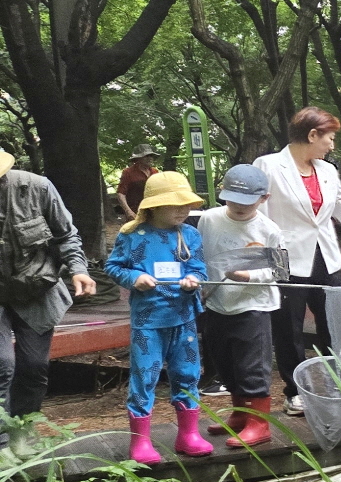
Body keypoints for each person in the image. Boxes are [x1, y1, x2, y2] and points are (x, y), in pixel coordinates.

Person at [255, 108, 341, 416]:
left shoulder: (328, 170)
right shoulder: (268, 165)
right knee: (287, 326)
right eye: (329, 138)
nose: (332, 145)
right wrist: (268, 261)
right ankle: (295, 391)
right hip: (284, 258)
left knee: (334, 321)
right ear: (312, 135)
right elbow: (260, 216)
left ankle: (338, 384)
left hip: (326, 257)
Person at [105, 172, 209, 464]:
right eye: (174, 204)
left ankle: (188, 434)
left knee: (188, 374)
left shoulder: (190, 234)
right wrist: (135, 277)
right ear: (153, 205)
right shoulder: (131, 234)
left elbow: (200, 269)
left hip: (183, 317)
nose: (182, 210)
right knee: (145, 376)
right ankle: (140, 442)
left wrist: (193, 278)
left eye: (186, 204)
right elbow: (113, 267)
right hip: (148, 322)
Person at [0, 149, 94, 417]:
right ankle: (1, 443)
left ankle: (23, 429)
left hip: (36, 289)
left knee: (34, 366)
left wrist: (78, 270)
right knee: (2, 364)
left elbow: (66, 236)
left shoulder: (37, 188)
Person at [196, 164, 282, 447]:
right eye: (232, 199)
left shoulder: (269, 230)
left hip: (253, 306)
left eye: (247, 202)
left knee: (251, 365)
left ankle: (259, 423)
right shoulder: (209, 219)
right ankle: (239, 413)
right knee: (225, 362)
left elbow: (279, 272)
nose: (239, 207)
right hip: (216, 303)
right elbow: (200, 255)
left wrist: (248, 275)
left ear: (264, 199)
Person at [115, 145, 160, 221]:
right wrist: (128, 211)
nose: (150, 158)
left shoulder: (155, 172)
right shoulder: (128, 172)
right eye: (146, 156)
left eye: (151, 156)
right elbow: (121, 193)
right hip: (135, 212)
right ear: (138, 158)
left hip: (154, 211)